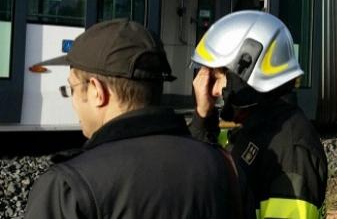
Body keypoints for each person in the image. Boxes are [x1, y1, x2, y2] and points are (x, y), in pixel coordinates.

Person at [24, 19, 247, 219]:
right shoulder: (226, 167)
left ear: (96, 91)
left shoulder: (68, 188)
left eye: (71, 88)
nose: (71, 99)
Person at [189, 11, 328, 219]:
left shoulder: (291, 149)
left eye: (217, 78)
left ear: (245, 73)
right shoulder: (254, 130)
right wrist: (203, 117)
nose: (214, 91)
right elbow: (203, 169)